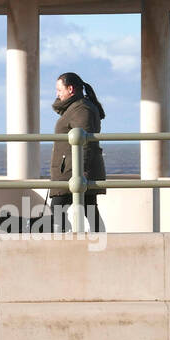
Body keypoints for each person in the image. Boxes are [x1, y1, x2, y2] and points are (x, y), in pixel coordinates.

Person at [47, 71, 106, 232]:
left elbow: (85, 143)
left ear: (70, 89)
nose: (57, 94)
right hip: (73, 170)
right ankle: (98, 242)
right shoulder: (77, 107)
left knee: (57, 211)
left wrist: (80, 171)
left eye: (59, 90)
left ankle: (64, 245)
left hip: (73, 171)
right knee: (89, 210)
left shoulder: (82, 109)